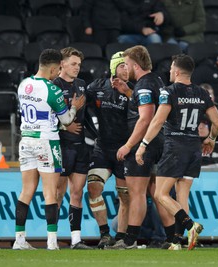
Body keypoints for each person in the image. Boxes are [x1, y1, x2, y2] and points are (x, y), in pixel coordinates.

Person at [135, 54, 218, 250]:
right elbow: (217, 123)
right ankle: (177, 241)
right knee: (182, 195)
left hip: (175, 146)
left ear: (176, 70)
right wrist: (211, 139)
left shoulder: (169, 91)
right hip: (194, 148)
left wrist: (143, 145)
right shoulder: (202, 93)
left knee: (160, 194)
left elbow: (157, 122)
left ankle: (191, 225)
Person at [13, 49, 85, 250]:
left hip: (26, 139)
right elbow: (67, 120)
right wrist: (74, 107)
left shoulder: (23, 84)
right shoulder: (51, 90)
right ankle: (52, 242)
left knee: (26, 191)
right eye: (58, 69)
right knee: (50, 192)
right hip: (46, 141)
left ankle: (19, 240)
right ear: (54, 68)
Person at [110, 45, 175, 249]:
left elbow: (146, 118)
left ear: (135, 65)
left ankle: (129, 240)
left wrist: (129, 145)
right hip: (161, 143)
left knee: (136, 193)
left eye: (127, 64)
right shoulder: (156, 80)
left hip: (144, 145)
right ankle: (173, 238)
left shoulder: (143, 85)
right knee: (157, 193)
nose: (125, 68)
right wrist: (128, 91)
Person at [85, 51, 131, 249]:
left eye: (128, 66)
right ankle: (105, 234)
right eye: (122, 66)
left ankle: (121, 237)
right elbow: (80, 105)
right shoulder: (97, 86)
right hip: (102, 147)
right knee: (93, 188)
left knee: (125, 196)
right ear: (113, 68)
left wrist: (129, 93)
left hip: (125, 150)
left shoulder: (135, 90)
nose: (126, 69)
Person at [53, 47, 91, 250]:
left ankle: (76, 239)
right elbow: (45, 117)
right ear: (62, 63)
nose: (77, 67)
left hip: (80, 146)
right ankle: (53, 237)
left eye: (79, 64)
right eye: (74, 63)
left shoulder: (82, 85)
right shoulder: (53, 86)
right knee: (58, 193)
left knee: (77, 192)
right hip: (61, 145)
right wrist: (64, 125)